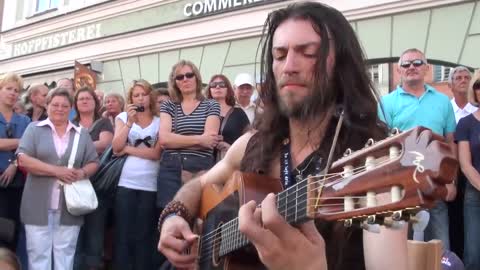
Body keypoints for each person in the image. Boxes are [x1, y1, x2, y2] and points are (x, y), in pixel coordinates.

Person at [158, 2, 409, 270]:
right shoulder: (252, 144)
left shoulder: (375, 165)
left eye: (308, 52)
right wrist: (175, 214)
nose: (289, 66)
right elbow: (199, 184)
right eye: (279, 55)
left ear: (341, 65)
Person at [378, 48, 456, 250]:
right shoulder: (386, 103)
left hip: (436, 182)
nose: (411, 67)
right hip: (400, 185)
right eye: (406, 64)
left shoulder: (443, 101)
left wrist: (452, 181)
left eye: (417, 63)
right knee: (399, 249)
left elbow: (450, 144)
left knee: (441, 248)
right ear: (399, 70)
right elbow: (380, 148)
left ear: (427, 68)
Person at [16, 88, 99, 270]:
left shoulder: (81, 134)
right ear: (47, 106)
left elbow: (93, 162)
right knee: (38, 256)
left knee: (66, 256)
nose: (60, 109)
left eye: (65, 105)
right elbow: (22, 159)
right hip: (36, 204)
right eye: (55, 104)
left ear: (71, 108)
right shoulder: (34, 129)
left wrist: (82, 173)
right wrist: (56, 171)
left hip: (69, 206)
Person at [111, 79, 162, 270]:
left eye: (144, 94)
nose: (140, 98)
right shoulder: (123, 117)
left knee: (143, 234)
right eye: (136, 95)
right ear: (131, 98)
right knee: (123, 233)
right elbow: (116, 146)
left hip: (150, 183)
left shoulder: (159, 121)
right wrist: (130, 123)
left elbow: (156, 154)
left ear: (151, 96)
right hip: (126, 182)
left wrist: (128, 149)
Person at [72, 87, 114, 270]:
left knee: (95, 234)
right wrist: (90, 148)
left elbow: (105, 144)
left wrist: (77, 149)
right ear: (76, 103)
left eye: (88, 98)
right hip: (73, 184)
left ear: (95, 102)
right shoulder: (70, 122)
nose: (84, 101)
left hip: (98, 184)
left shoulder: (103, 122)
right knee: (74, 234)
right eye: (81, 98)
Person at [0, 73, 31, 254]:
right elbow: (25, 143)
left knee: (12, 229)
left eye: (16, 91)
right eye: (8, 89)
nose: (12, 93)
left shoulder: (25, 120)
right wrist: (21, 141)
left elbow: (30, 148)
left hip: (17, 181)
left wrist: (14, 164)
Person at [447, 66, 475, 259]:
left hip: (475, 170)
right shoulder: (446, 109)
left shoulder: (477, 110)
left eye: (467, 77)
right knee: (454, 218)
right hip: (455, 171)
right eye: (458, 77)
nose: (463, 80)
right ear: (450, 84)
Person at [456, 77, 480, 270]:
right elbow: (465, 164)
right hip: (475, 193)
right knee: (473, 255)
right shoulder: (465, 123)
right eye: (479, 86)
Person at [206, 74, 250, 161]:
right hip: (205, 163)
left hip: (230, 162)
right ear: (209, 89)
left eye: (222, 85)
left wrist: (231, 148)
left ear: (228, 89)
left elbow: (249, 140)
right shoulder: (202, 112)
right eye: (213, 85)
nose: (217, 87)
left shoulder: (238, 113)